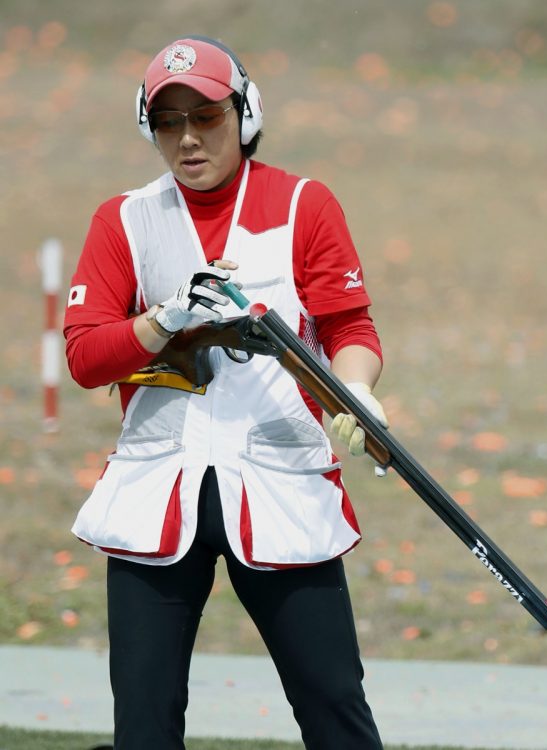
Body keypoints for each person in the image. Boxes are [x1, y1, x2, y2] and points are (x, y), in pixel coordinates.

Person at [64, 35, 388, 750]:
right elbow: (87, 357)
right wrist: (161, 320)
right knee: (143, 730)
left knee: (335, 711)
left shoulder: (305, 203)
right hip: (157, 489)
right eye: (168, 120)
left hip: (281, 485)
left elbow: (349, 327)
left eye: (206, 116)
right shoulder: (124, 219)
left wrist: (359, 392)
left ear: (243, 113)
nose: (187, 138)